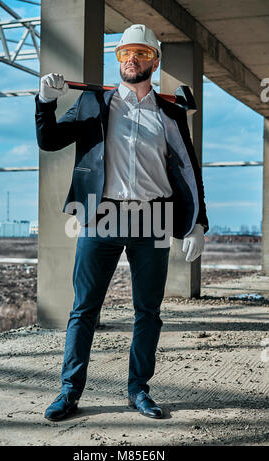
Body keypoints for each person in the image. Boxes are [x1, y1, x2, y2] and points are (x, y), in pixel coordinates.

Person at [35, 24, 209, 421]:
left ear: (155, 61)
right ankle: (69, 391)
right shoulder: (95, 104)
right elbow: (49, 140)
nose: (133, 59)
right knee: (84, 310)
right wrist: (45, 102)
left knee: (147, 311)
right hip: (101, 217)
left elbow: (189, 170)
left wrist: (198, 221)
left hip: (154, 219)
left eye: (142, 53)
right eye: (126, 52)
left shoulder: (171, 112)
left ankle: (139, 391)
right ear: (118, 58)